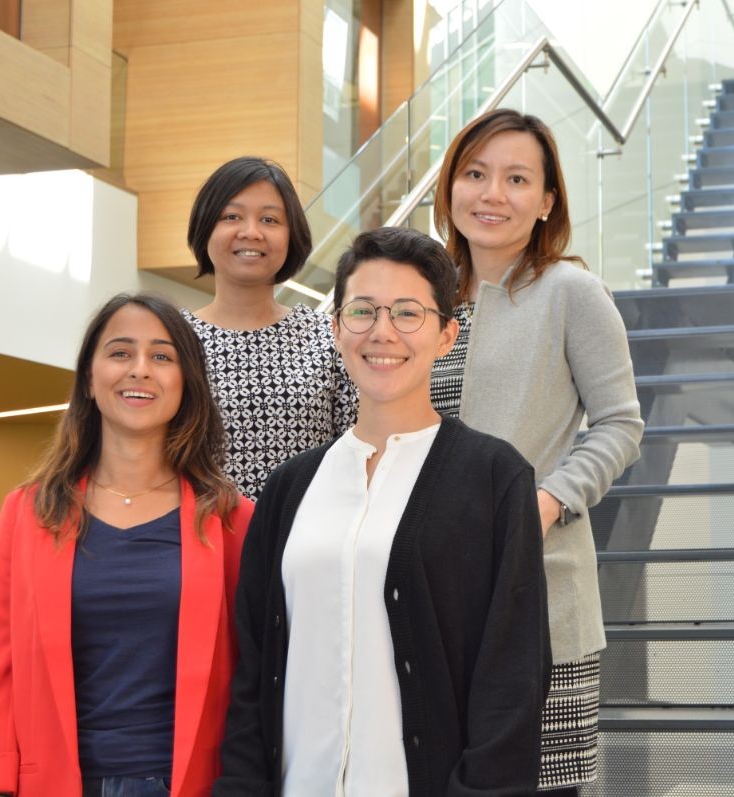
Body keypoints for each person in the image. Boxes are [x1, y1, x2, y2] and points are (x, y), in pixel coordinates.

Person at [214, 227, 551, 797]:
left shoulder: (495, 476)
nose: (382, 332)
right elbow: (252, 674)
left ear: (447, 334)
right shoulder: (288, 489)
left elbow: (513, 678)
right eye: (363, 311)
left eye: (407, 313)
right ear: (336, 327)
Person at [431, 108, 644, 794]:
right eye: (474, 173)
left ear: (547, 200)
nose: (492, 193)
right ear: (450, 186)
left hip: (539, 594)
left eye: (516, 178)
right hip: (430, 601)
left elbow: (619, 424)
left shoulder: (571, 292)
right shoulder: (420, 298)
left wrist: (546, 501)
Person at [0, 293, 254, 797]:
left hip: (192, 783)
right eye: (120, 353)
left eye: (162, 356)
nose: (140, 370)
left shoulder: (231, 518)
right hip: (57, 783)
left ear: (186, 384)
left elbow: (253, 676)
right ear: (89, 378)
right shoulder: (29, 512)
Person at [182, 156, 357, 501]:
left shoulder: (330, 337)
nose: (251, 232)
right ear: (206, 228)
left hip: (306, 538)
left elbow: (357, 447)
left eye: (270, 219)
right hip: (204, 538)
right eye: (231, 216)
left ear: (292, 235)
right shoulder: (173, 340)